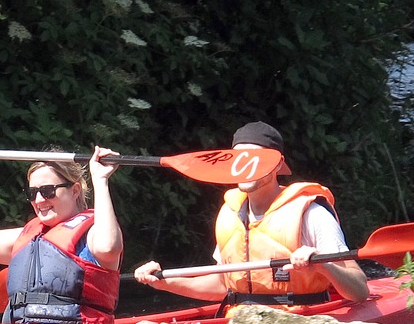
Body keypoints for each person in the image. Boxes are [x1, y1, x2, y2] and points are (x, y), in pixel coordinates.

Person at [133, 121, 369, 306]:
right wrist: (164, 282)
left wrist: (322, 265)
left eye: (256, 160)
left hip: (300, 323)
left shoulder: (312, 214)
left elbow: (359, 291)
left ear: (277, 164)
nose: (246, 168)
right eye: (238, 159)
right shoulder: (230, 212)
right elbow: (223, 286)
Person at [0, 140, 124, 324]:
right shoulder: (26, 238)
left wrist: (101, 180)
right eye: (32, 192)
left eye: (48, 191)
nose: (38, 200)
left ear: (75, 190)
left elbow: (109, 247)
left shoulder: (94, 234)